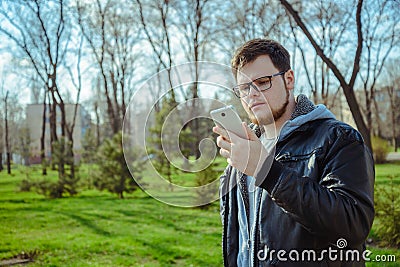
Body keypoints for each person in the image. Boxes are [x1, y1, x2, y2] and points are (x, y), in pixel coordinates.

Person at [213, 39, 374, 267]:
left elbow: (353, 225)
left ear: (289, 79)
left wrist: (267, 171)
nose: (252, 94)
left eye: (262, 82)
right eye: (245, 88)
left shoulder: (338, 138)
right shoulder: (246, 148)